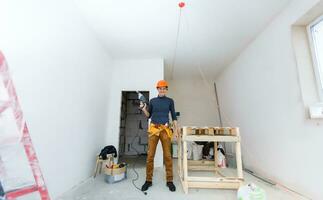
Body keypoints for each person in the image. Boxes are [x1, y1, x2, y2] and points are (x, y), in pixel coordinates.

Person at [140, 80, 179, 192]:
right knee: (150, 156)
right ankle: (148, 180)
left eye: (164, 88)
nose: (162, 90)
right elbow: (149, 115)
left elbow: (174, 116)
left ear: (166, 89)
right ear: (157, 89)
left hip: (165, 130)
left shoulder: (170, 101)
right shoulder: (152, 101)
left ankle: (170, 180)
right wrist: (143, 109)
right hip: (153, 130)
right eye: (160, 88)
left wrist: (176, 131)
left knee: (167, 155)